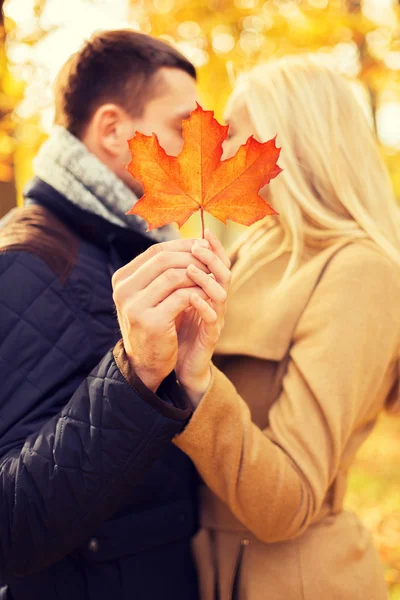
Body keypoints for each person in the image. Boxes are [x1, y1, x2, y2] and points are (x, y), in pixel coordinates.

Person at [0, 29, 227, 600]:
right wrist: (137, 374)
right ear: (111, 130)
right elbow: (10, 526)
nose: (198, 151)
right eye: (180, 127)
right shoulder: (26, 264)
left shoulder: (133, 249)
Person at [166, 56, 400, 599]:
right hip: (210, 566)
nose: (218, 151)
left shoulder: (359, 269)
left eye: (239, 134)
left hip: (293, 578)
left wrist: (198, 383)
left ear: (292, 144)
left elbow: (289, 502)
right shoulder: (250, 247)